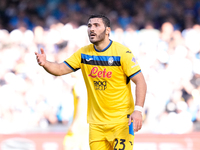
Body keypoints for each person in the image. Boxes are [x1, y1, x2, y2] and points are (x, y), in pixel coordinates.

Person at [35, 14, 147, 150]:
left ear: (107, 31)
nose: (91, 29)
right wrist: (46, 63)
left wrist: (138, 110)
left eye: (96, 25)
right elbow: (60, 69)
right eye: (89, 26)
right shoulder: (84, 54)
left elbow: (140, 81)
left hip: (121, 122)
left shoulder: (122, 53)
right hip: (96, 125)